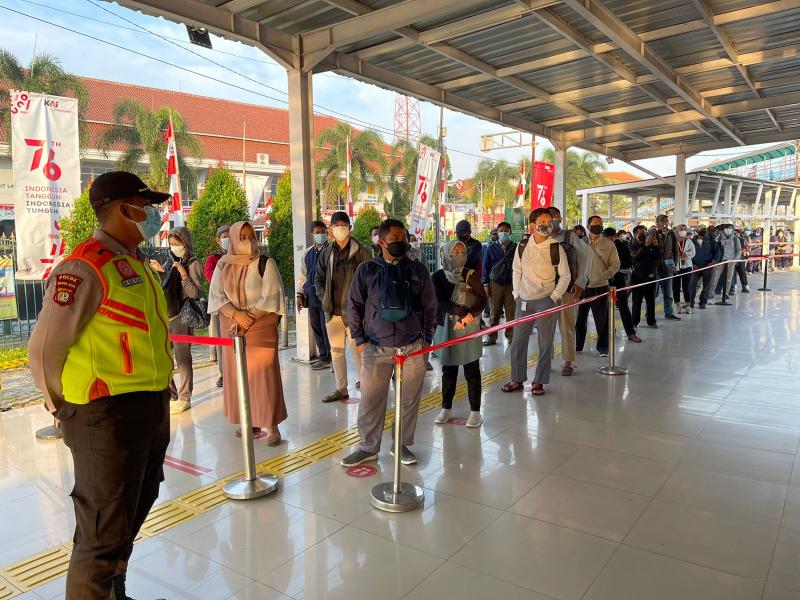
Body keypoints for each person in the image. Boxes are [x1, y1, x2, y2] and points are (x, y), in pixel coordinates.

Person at [28, 171, 173, 600]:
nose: (151, 214)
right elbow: (42, 351)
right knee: (101, 531)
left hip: (147, 409)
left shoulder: (132, 263)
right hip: (104, 416)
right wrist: (62, 409)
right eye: (143, 205)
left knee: (128, 513)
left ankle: (115, 593)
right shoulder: (84, 265)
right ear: (121, 209)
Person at [340, 218, 437, 467]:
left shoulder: (417, 270)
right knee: (371, 399)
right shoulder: (367, 270)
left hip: (413, 345)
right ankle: (368, 447)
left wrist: (426, 339)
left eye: (403, 238)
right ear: (381, 242)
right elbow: (354, 307)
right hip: (376, 345)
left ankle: (400, 445)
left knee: (408, 400)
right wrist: (360, 341)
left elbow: (430, 306)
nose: (400, 242)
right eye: (395, 239)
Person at [209, 221, 287, 445]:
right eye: (242, 237)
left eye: (251, 235)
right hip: (233, 326)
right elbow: (216, 296)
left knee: (264, 376)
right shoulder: (223, 265)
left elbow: (271, 295)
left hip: (260, 326)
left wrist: (248, 317)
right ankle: (249, 420)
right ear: (233, 240)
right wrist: (235, 314)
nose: (248, 241)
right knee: (238, 376)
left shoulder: (265, 263)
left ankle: (271, 425)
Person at [501, 208, 570, 396]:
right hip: (523, 301)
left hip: (546, 301)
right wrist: (516, 293)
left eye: (549, 221)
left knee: (545, 343)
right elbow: (516, 271)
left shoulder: (556, 247)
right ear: (532, 225)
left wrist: (554, 296)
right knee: (518, 342)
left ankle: (539, 381)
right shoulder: (523, 246)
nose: (547, 224)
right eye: (543, 221)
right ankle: (517, 378)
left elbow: (565, 276)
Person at [314, 211, 372, 403]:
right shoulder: (326, 252)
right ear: (330, 229)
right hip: (332, 312)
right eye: (336, 225)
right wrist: (325, 301)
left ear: (350, 228)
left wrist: (363, 307)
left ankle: (366, 387)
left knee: (359, 350)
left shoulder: (362, 252)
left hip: (355, 313)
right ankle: (341, 388)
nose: (340, 228)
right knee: (336, 351)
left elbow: (370, 282)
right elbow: (318, 280)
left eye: (343, 225)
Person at [149, 227, 205, 414]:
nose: (174, 247)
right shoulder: (172, 261)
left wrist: (183, 272)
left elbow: (194, 293)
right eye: (171, 244)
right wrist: (162, 271)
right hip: (167, 316)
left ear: (186, 243)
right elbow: (169, 287)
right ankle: (171, 394)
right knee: (162, 357)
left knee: (182, 359)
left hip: (182, 316)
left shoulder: (193, 263)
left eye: (177, 244)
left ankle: (184, 397)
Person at [432, 240, 487, 428]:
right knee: (448, 368)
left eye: (463, 251)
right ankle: (446, 408)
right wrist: (459, 312)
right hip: (447, 327)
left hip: (468, 325)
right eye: (455, 251)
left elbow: (483, 299)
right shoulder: (438, 276)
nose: (460, 255)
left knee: (471, 368)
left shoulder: (470, 274)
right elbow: (438, 301)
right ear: (446, 255)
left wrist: (470, 314)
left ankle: (476, 411)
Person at [548, 207, 587, 374]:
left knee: (567, 325)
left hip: (568, 288)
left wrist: (580, 282)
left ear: (560, 218)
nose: (551, 220)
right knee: (546, 327)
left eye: (554, 217)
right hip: (546, 290)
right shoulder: (540, 238)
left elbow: (585, 258)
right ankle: (545, 360)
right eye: (548, 217)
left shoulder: (570, 236)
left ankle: (568, 361)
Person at [575, 215, 620, 357]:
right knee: (579, 318)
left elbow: (615, 264)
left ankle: (603, 347)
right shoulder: (579, 243)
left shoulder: (608, 244)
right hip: (582, 287)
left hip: (600, 286)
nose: (598, 226)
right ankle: (577, 345)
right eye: (595, 224)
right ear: (588, 226)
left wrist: (605, 275)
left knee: (602, 319)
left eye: (600, 224)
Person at [296, 220, 331, 371]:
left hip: (327, 295)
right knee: (316, 326)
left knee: (327, 327)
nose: (320, 235)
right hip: (312, 296)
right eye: (317, 232)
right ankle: (323, 357)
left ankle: (332, 358)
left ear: (327, 232)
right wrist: (299, 294)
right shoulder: (307, 253)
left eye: (322, 231)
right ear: (312, 235)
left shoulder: (331, 250)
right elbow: (303, 275)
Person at [481, 221, 516, 346]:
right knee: (494, 312)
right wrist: (485, 284)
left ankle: (511, 336)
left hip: (511, 284)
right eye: (501, 230)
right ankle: (492, 337)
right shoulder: (491, 247)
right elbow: (485, 267)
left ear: (510, 232)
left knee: (511, 312)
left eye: (506, 230)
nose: (503, 233)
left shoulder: (515, 247)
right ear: (497, 232)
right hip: (495, 284)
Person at [603, 227, 640, 342]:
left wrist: (615, 268)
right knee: (605, 308)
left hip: (617, 282)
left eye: (610, 238)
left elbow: (628, 262)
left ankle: (630, 332)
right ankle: (608, 330)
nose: (609, 240)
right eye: (606, 238)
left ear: (614, 237)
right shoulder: (600, 247)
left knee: (623, 306)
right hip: (604, 281)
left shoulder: (622, 246)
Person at [205, 225, 230, 387]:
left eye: (230, 236)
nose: (227, 239)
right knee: (223, 341)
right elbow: (211, 278)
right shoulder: (213, 259)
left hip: (240, 304)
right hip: (221, 306)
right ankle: (223, 373)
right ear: (217, 240)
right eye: (224, 236)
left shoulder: (241, 256)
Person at [630, 227, 662, 329]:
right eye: (641, 233)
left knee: (651, 300)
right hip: (638, 277)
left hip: (650, 276)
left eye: (644, 233)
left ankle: (651, 321)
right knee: (637, 300)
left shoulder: (652, 245)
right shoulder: (633, 244)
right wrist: (645, 246)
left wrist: (656, 246)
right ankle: (634, 321)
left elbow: (658, 257)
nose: (643, 235)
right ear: (635, 234)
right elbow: (635, 258)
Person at [654, 214, 681, 321]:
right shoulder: (653, 233)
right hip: (655, 265)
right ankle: (649, 313)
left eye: (666, 221)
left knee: (668, 291)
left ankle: (669, 312)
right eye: (662, 221)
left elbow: (675, 250)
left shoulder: (672, 234)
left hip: (668, 265)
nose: (665, 223)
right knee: (653, 291)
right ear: (657, 223)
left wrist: (675, 262)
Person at [689, 226, 721, 310]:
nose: (702, 231)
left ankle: (703, 302)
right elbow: (688, 253)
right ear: (696, 231)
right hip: (696, 267)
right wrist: (692, 264)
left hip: (707, 266)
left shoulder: (711, 241)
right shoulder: (692, 241)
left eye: (703, 230)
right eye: (700, 229)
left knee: (706, 285)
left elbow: (717, 252)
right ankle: (690, 302)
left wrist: (713, 262)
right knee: (692, 285)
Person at [672, 224, 696, 314]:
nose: (683, 231)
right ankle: (677, 305)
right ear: (677, 230)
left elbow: (693, 252)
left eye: (685, 229)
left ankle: (688, 305)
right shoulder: (673, 240)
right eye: (681, 229)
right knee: (676, 287)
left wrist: (686, 254)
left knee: (686, 287)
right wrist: (676, 255)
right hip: (676, 267)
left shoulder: (689, 241)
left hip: (687, 266)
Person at [715, 224, 743, 297]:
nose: (728, 230)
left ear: (733, 230)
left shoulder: (736, 239)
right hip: (721, 260)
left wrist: (735, 259)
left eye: (730, 228)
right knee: (716, 277)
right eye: (727, 228)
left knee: (729, 277)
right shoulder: (720, 237)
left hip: (731, 261)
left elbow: (739, 250)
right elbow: (716, 246)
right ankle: (711, 292)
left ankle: (726, 293)